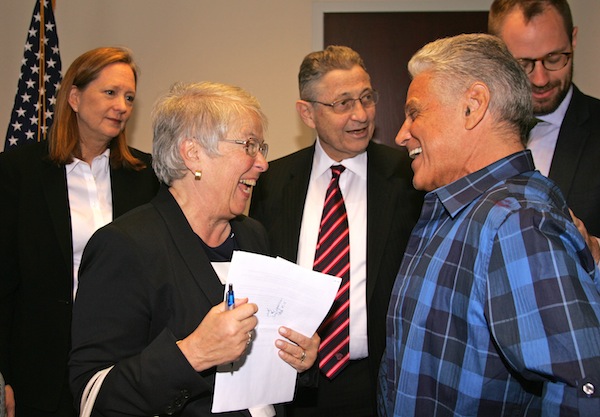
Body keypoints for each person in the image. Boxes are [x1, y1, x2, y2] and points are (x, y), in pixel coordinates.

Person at [378, 33, 600, 416]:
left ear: (473, 106)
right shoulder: (460, 211)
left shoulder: (515, 223)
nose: (401, 134)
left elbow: (584, 389)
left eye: (415, 113)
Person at [68, 81, 320, 417]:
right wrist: (192, 354)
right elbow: (93, 398)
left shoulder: (253, 235)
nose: (263, 163)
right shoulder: (127, 246)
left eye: (262, 147)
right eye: (249, 145)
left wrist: (298, 361)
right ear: (193, 153)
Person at [249, 46, 423, 416]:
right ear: (307, 113)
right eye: (343, 103)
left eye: (366, 98)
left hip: (379, 383)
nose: (361, 114)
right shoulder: (273, 182)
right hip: (293, 383)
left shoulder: (410, 178)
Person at [0, 46, 159, 417]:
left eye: (129, 97)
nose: (122, 105)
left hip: (124, 360)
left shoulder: (146, 176)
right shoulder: (17, 173)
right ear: (74, 97)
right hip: (38, 364)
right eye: (110, 93)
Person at [488, 0, 600, 241]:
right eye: (523, 64)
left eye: (554, 58)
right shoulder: (475, 131)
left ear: (574, 39)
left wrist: (596, 252)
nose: (540, 79)